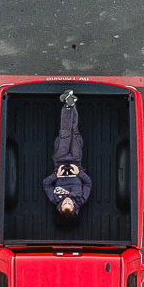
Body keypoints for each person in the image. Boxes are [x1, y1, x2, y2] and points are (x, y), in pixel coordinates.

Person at [43, 89, 92, 221]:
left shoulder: (54, 198)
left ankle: (68, 105)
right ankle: (70, 102)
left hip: (60, 159)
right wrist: (79, 173)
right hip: (76, 161)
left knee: (65, 134)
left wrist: (56, 175)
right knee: (74, 132)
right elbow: (88, 183)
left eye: (65, 203)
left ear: (61, 206)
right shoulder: (81, 199)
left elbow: (46, 184)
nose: (68, 200)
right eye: (70, 204)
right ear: (74, 207)